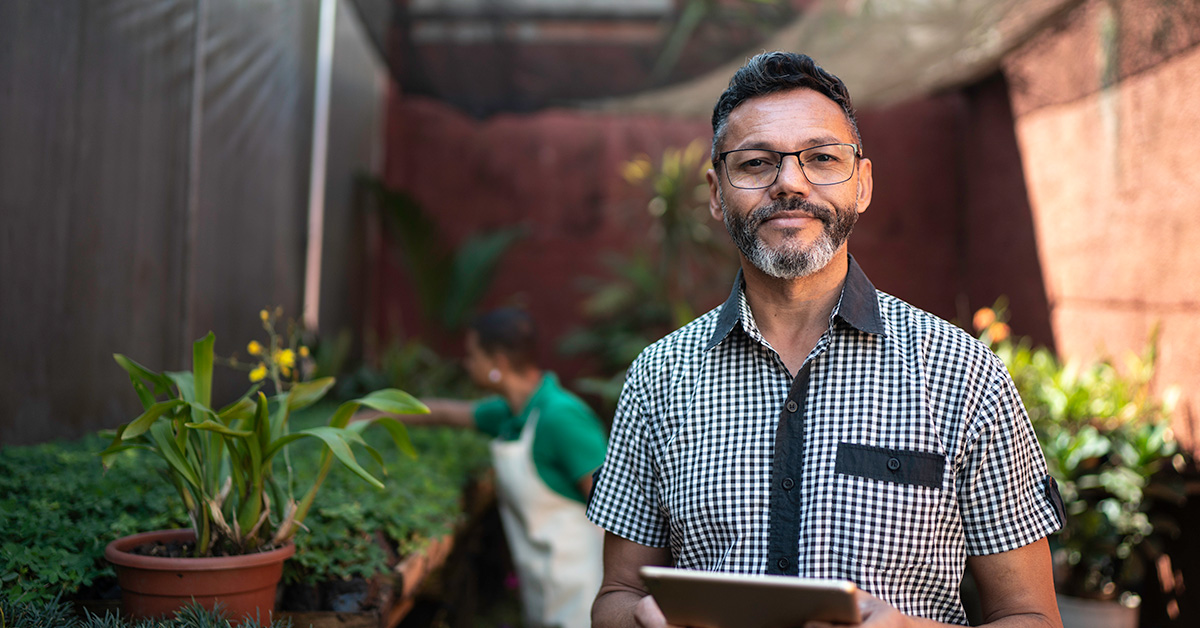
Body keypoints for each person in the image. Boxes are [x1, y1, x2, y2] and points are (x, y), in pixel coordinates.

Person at [586, 52, 1066, 628]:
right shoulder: (657, 379)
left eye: (821, 158)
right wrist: (639, 619)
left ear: (862, 184)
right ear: (716, 193)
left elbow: (1032, 616)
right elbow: (614, 593)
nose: (789, 182)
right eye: (756, 162)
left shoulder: (964, 375)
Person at [364, 307, 607, 628]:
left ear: (499, 363)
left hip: (583, 584)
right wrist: (368, 413)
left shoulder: (561, 417)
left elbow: (613, 506)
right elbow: (444, 413)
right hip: (544, 579)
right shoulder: (511, 412)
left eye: (472, 355)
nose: (467, 364)